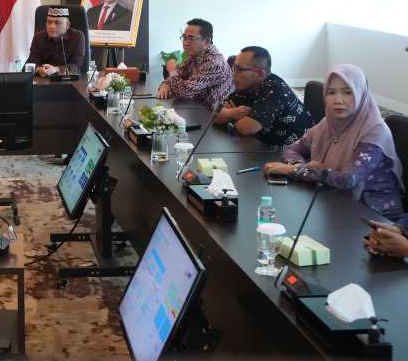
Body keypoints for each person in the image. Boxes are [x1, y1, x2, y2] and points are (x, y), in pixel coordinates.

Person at [263, 65, 405, 220]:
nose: (338, 100)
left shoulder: (375, 131)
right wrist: (300, 165)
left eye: (347, 92)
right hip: (335, 203)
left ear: (360, 93)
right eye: (331, 92)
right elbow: (292, 149)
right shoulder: (329, 122)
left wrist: (294, 171)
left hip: (375, 217)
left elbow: (348, 179)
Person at [214, 46, 313, 146]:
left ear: (260, 74)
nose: (233, 74)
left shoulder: (275, 90)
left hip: (294, 151)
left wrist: (229, 114)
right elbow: (214, 115)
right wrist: (234, 113)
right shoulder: (244, 86)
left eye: (239, 69)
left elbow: (246, 128)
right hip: (259, 145)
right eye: (234, 68)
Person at [157, 18, 233, 109]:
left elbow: (185, 91)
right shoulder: (194, 56)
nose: (185, 43)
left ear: (206, 42)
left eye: (190, 39)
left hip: (212, 114)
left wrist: (172, 71)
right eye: (184, 38)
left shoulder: (214, 63)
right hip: (195, 109)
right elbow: (178, 76)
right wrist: (165, 85)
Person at [27, 7, 87, 77]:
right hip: (43, 80)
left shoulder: (77, 37)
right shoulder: (38, 37)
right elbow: (31, 64)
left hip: (68, 80)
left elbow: (77, 66)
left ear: (67, 25)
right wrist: (39, 69)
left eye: (57, 23)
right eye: (49, 22)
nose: (52, 26)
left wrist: (57, 69)